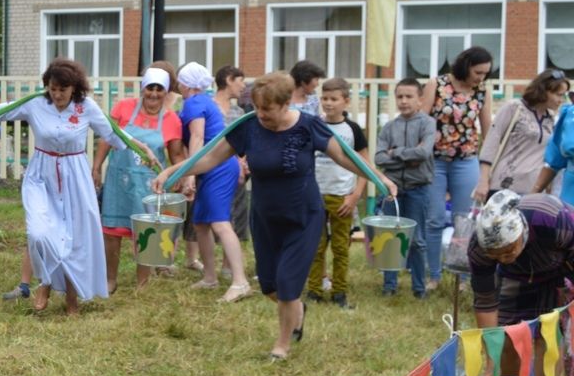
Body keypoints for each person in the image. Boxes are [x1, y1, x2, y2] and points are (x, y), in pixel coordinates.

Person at [153, 72, 397, 360]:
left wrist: (380, 179)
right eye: (256, 108)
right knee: (269, 285)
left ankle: (281, 346)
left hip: (303, 218)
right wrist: (173, 171)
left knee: (286, 285)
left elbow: (346, 156)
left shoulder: (308, 127)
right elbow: (208, 157)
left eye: (267, 109)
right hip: (265, 218)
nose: (261, 114)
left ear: (285, 104)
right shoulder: (249, 128)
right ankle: (297, 310)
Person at [0, 58, 156, 315]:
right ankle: (45, 280)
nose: (57, 95)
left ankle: (72, 300)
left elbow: (113, 134)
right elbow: (0, 110)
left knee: (75, 239)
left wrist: (142, 148)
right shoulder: (36, 103)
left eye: (63, 90)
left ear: (74, 88)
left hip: (75, 177)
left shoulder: (86, 107)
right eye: (53, 89)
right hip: (41, 176)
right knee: (39, 234)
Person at [91, 66, 183, 292]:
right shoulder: (123, 108)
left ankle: (142, 283)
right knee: (112, 232)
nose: (153, 94)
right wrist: (96, 167)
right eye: (149, 88)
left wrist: (182, 176)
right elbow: (106, 138)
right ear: (142, 89)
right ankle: (110, 280)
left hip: (150, 186)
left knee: (147, 232)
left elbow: (177, 154)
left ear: (166, 92)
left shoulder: (172, 120)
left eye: (159, 89)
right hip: (118, 181)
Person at [469, 190, 574, 376]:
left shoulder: (553, 220)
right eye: (496, 255)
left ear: (521, 232)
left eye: (508, 251)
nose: (503, 258)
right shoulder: (479, 249)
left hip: (562, 269)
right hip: (515, 276)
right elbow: (485, 303)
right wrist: (491, 362)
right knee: (509, 337)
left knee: (549, 337)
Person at [178, 61, 252, 303]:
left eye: (180, 80)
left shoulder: (193, 103)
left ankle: (240, 282)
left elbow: (198, 138)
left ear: (186, 84)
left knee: (220, 223)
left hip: (218, 167)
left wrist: (189, 176)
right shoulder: (203, 101)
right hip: (213, 166)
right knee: (200, 223)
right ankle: (210, 277)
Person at [423, 45, 494, 289]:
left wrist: (489, 166)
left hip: (467, 162)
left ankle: (462, 275)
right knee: (433, 219)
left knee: (463, 219)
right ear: (466, 66)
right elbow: (423, 121)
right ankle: (432, 275)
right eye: (478, 72)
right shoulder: (438, 84)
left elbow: (488, 132)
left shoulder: (482, 91)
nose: (481, 77)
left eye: (485, 73)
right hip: (435, 161)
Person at [306, 78, 368, 309]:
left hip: (342, 197)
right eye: (325, 98)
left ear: (346, 101)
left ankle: (339, 292)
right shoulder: (314, 125)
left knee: (341, 247)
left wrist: (355, 196)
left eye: (334, 99)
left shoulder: (352, 130)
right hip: (315, 196)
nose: (328, 103)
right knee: (315, 246)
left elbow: (364, 164)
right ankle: (314, 290)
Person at [375, 78, 436, 298]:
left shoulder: (427, 124)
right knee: (391, 237)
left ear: (420, 100)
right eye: (399, 96)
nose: (403, 101)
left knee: (417, 240)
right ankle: (389, 286)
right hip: (393, 190)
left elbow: (424, 153)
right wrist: (406, 155)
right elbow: (380, 157)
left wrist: (395, 152)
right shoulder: (390, 127)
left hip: (418, 188)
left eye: (409, 96)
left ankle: (419, 288)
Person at [511, 70, 571, 201]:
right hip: (569, 197)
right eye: (559, 94)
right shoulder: (568, 116)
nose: (561, 100)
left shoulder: (558, 116)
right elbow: (555, 160)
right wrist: (533, 194)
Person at [214, 65, 251, 243]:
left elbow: (243, 143)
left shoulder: (239, 112)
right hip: (212, 166)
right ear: (229, 79)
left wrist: (241, 165)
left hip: (234, 170)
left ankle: (228, 266)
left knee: (236, 211)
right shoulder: (209, 107)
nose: (244, 86)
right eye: (241, 81)